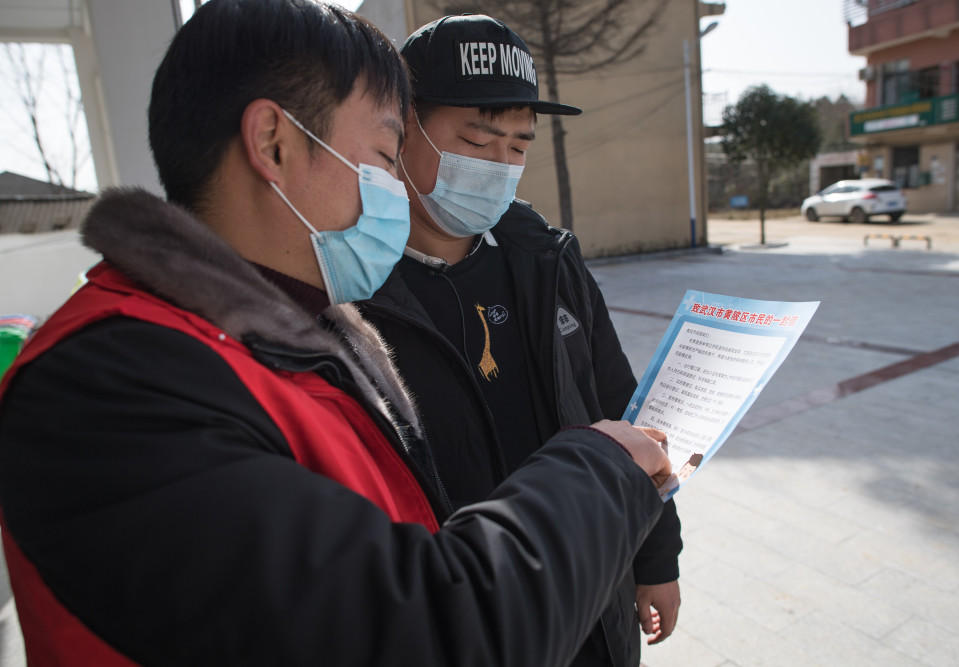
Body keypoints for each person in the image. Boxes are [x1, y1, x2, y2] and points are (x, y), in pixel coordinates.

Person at [0, 2, 673, 665]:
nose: (394, 191)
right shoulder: (111, 387)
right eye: (385, 154)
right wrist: (601, 466)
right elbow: (423, 630)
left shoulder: (295, 340)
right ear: (274, 143)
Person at [359, 14, 683, 667]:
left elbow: (624, 409)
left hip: (593, 602)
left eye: (518, 146)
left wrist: (656, 556)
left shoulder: (548, 262)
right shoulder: (356, 291)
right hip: (468, 626)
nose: (500, 165)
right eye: (478, 140)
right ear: (402, 128)